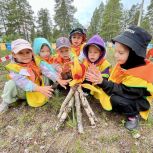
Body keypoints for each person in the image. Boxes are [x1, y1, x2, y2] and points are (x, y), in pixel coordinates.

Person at [85, 26, 153, 130]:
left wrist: (102, 82)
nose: (116, 56)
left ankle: (133, 116)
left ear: (134, 54)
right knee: (107, 93)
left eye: (120, 53)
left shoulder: (141, 72)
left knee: (117, 100)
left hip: (135, 99)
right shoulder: (123, 64)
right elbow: (114, 81)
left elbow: (126, 91)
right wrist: (100, 80)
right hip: (123, 92)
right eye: (115, 51)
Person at [0, 39, 70, 113]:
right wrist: (39, 88)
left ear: (32, 52)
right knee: (10, 84)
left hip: (39, 86)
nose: (25, 55)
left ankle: (50, 89)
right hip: (25, 90)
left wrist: (58, 79)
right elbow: (23, 82)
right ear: (14, 54)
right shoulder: (14, 67)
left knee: (46, 74)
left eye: (28, 52)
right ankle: (6, 102)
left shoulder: (37, 61)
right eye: (20, 53)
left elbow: (47, 71)